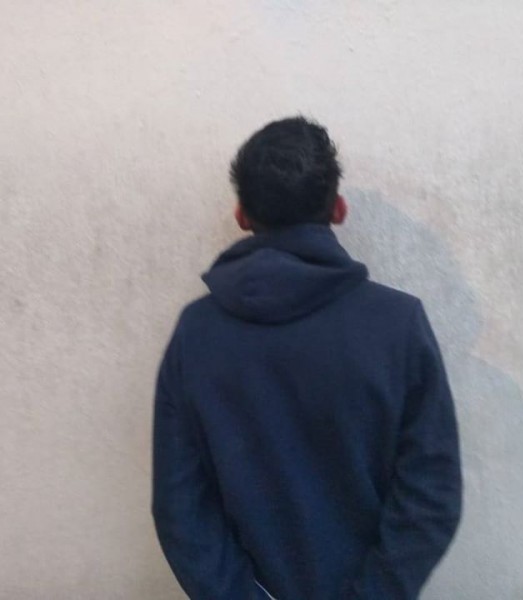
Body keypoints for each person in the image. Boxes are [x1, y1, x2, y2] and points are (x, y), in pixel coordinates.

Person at [151, 116, 462, 599]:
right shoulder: (397, 326)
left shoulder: (197, 334)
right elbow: (431, 494)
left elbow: (181, 506)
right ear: (338, 208)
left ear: (242, 216)